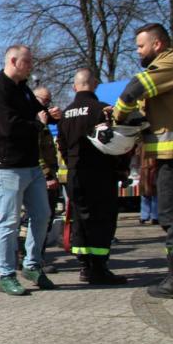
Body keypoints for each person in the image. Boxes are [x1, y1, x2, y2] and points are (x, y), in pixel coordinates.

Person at [112, 23, 173, 299]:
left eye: (140, 46)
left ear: (157, 44)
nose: (138, 52)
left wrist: (118, 117)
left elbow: (135, 88)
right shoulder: (172, 72)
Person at [0, 45, 61, 296]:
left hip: (31, 164)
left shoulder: (23, 90)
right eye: (27, 62)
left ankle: (31, 264)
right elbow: (8, 127)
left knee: (42, 215)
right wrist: (38, 123)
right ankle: (5, 274)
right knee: (9, 221)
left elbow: (35, 115)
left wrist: (51, 115)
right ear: (14, 61)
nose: (31, 66)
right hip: (6, 166)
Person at [57, 69, 127, 285]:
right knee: (102, 219)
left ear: (74, 87)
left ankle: (85, 266)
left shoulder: (66, 113)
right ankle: (98, 267)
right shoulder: (103, 110)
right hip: (100, 173)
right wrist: (120, 170)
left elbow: (61, 146)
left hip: (75, 174)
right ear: (95, 84)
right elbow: (118, 143)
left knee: (80, 218)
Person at [33, 86, 60, 273]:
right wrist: (47, 175)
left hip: (43, 175)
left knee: (44, 219)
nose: (47, 105)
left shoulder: (42, 120)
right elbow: (36, 151)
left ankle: (35, 256)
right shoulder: (35, 123)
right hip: (40, 177)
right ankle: (35, 258)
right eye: (45, 101)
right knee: (40, 219)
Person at [136, 143, 159, 227]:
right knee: (152, 194)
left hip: (148, 170)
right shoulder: (150, 143)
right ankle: (153, 216)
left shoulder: (142, 144)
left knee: (148, 194)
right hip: (150, 170)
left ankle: (146, 216)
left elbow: (137, 154)